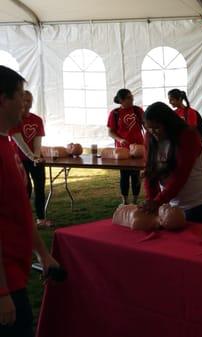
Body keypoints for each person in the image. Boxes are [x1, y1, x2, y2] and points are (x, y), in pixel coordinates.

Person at [0, 65, 60, 337]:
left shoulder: (5, 145)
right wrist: (2, 292)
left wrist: (42, 253)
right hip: (6, 284)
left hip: (16, 274)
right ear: (3, 100)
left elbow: (19, 211)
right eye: (20, 97)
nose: (24, 106)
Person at [140, 102, 202, 223]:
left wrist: (158, 201)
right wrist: (152, 200)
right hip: (171, 205)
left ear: (168, 123)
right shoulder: (150, 137)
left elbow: (180, 175)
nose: (153, 132)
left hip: (198, 204)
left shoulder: (188, 136)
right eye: (149, 128)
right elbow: (150, 171)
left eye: (157, 128)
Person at [8, 90, 52, 228]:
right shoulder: (14, 120)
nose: (27, 103)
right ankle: (23, 219)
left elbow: (37, 141)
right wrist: (31, 156)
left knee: (40, 188)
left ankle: (41, 219)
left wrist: (37, 156)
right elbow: (19, 141)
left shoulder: (37, 119)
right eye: (24, 100)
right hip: (19, 159)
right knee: (25, 189)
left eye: (29, 100)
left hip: (36, 159)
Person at [107, 88, 144, 205]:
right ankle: (125, 200)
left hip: (138, 148)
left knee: (136, 175)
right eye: (129, 97)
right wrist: (120, 139)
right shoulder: (115, 113)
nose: (132, 98)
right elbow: (110, 132)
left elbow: (147, 126)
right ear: (121, 100)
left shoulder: (138, 110)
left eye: (131, 96)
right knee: (124, 175)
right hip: (122, 150)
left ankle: (135, 200)